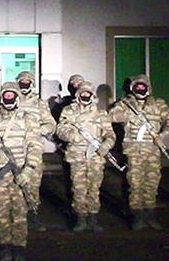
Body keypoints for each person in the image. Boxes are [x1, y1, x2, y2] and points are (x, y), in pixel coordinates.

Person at [0, 82, 43, 261]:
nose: (9, 98)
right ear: (1, 97)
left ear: (18, 97)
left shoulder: (28, 118)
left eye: (12, 95)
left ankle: (18, 247)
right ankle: (3, 246)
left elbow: (35, 145)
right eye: (6, 95)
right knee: (0, 211)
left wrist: (29, 170)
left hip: (20, 172)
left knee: (20, 212)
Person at [109, 74, 169, 231]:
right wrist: (129, 116)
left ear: (148, 88)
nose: (140, 89)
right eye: (137, 86)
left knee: (151, 183)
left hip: (152, 150)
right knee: (135, 184)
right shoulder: (125, 104)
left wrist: (162, 135)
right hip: (134, 152)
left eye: (143, 86)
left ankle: (150, 216)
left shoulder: (158, 104)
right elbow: (111, 116)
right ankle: (137, 217)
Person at [55, 80, 116, 232]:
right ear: (78, 94)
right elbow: (60, 130)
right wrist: (73, 136)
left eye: (88, 93)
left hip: (95, 156)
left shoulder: (100, 113)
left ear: (92, 95)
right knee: (79, 188)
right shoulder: (69, 111)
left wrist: (106, 145)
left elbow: (110, 134)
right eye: (82, 93)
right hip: (77, 156)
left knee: (94, 188)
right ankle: (80, 218)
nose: (85, 95)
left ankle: (93, 218)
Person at [16, 70, 57, 231]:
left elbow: (51, 125)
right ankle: (16, 217)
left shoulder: (40, 104)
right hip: (14, 149)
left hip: (33, 149)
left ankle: (32, 215)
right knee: (14, 184)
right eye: (22, 81)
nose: (24, 84)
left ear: (32, 84)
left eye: (27, 81)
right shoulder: (10, 98)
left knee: (33, 183)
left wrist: (38, 130)